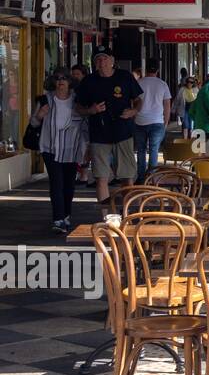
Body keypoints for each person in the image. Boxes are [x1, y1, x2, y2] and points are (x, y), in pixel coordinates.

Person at [74, 47, 143, 207]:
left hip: (123, 134)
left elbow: (138, 100)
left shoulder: (125, 77)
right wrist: (91, 110)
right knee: (101, 177)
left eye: (105, 58)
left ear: (112, 61)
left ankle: (128, 213)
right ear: (94, 63)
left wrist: (133, 110)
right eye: (98, 59)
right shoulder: (88, 81)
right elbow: (78, 108)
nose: (102, 62)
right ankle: (106, 217)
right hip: (99, 135)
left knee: (127, 177)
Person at [33, 69, 87, 235]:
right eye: (57, 79)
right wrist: (40, 115)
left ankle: (66, 215)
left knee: (68, 185)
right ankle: (58, 219)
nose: (61, 81)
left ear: (70, 82)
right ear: (53, 82)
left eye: (64, 78)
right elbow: (34, 123)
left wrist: (87, 148)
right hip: (50, 149)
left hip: (71, 149)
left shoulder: (77, 101)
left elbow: (85, 126)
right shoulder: (45, 100)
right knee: (56, 184)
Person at [133, 62, 172, 182]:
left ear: (146, 69)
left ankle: (140, 178)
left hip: (140, 120)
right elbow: (167, 105)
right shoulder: (162, 84)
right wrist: (166, 121)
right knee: (154, 150)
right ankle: (151, 178)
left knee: (141, 150)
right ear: (157, 70)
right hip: (157, 121)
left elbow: (133, 101)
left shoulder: (139, 83)